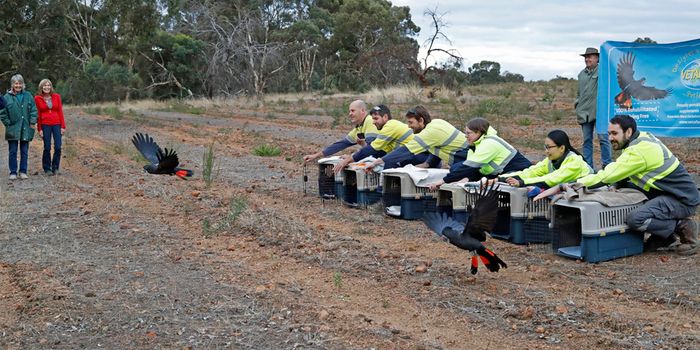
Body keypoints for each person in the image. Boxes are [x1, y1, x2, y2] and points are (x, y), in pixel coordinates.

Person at [536, 115, 699, 255]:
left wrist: (564, 186)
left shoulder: (639, 151)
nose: (610, 138)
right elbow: (626, 170)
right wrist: (618, 184)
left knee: (635, 219)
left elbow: (605, 176)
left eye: (614, 133)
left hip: (681, 200)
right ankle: (664, 235)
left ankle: (682, 226)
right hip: (663, 192)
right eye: (609, 133)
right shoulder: (640, 139)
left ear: (628, 132)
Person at [427, 117, 531, 190]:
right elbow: (474, 169)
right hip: (500, 173)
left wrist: (442, 181)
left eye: (469, 133)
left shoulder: (489, 143)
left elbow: (468, 168)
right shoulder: (475, 145)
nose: (466, 136)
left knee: (487, 182)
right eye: (465, 133)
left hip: (519, 172)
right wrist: (465, 179)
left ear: (479, 132)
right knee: (456, 168)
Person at [332, 104, 435, 173]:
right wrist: (353, 157)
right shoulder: (387, 129)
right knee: (387, 159)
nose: (373, 122)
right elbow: (379, 152)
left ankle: (384, 195)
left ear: (385, 117)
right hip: (416, 155)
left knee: (391, 161)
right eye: (372, 119)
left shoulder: (390, 126)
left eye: (376, 118)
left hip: (424, 156)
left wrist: (349, 160)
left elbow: (372, 149)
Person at [365, 105, 467, 172]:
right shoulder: (437, 123)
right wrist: (427, 164)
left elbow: (405, 151)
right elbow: (437, 148)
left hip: (466, 159)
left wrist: (378, 161)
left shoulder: (429, 132)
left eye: (411, 122)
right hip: (465, 157)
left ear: (421, 120)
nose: (409, 126)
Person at [497, 129, 592, 189]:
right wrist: (499, 179)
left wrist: (522, 183)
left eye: (549, 147)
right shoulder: (550, 161)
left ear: (562, 148)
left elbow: (552, 179)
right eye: (545, 147)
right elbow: (530, 172)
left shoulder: (575, 162)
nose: (546, 151)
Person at [303, 99, 378, 162]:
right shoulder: (359, 127)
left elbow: (371, 148)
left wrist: (351, 156)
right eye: (349, 111)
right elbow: (340, 144)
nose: (350, 114)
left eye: (353, 111)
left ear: (362, 110)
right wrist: (315, 156)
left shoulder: (370, 121)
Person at [576, 47, 612, 170]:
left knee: (604, 139)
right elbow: (579, 93)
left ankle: (607, 167)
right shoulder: (581, 74)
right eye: (586, 57)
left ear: (597, 58)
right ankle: (588, 168)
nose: (587, 59)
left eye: (590, 56)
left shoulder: (603, 72)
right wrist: (577, 105)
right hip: (584, 113)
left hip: (599, 112)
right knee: (586, 141)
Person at [0, 74, 38, 180]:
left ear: (23, 84)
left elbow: (34, 110)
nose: (18, 85)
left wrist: (33, 121)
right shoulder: (6, 97)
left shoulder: (28, 96)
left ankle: (23, 171)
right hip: (12, 128)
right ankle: (13, 172)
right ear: (12, 85)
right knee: (12, 151)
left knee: (24, 151)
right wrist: (8, 123)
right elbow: (2, 112)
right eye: (16, 83)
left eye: (20, 83)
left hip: (26, 127)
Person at [34, 79, 66, 175]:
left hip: (57, 124)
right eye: (44, 85)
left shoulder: (56, 97)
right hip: (45, 125)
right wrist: (39, 129)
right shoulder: (37, 98)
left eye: (48, 85)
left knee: (58, 146)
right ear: (41, 87)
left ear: (51, 87)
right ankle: (47, 168)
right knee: (47, 147)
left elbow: (60, 111)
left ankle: (55, 167)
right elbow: (38, 114)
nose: (47, 87)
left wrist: (63, 126)